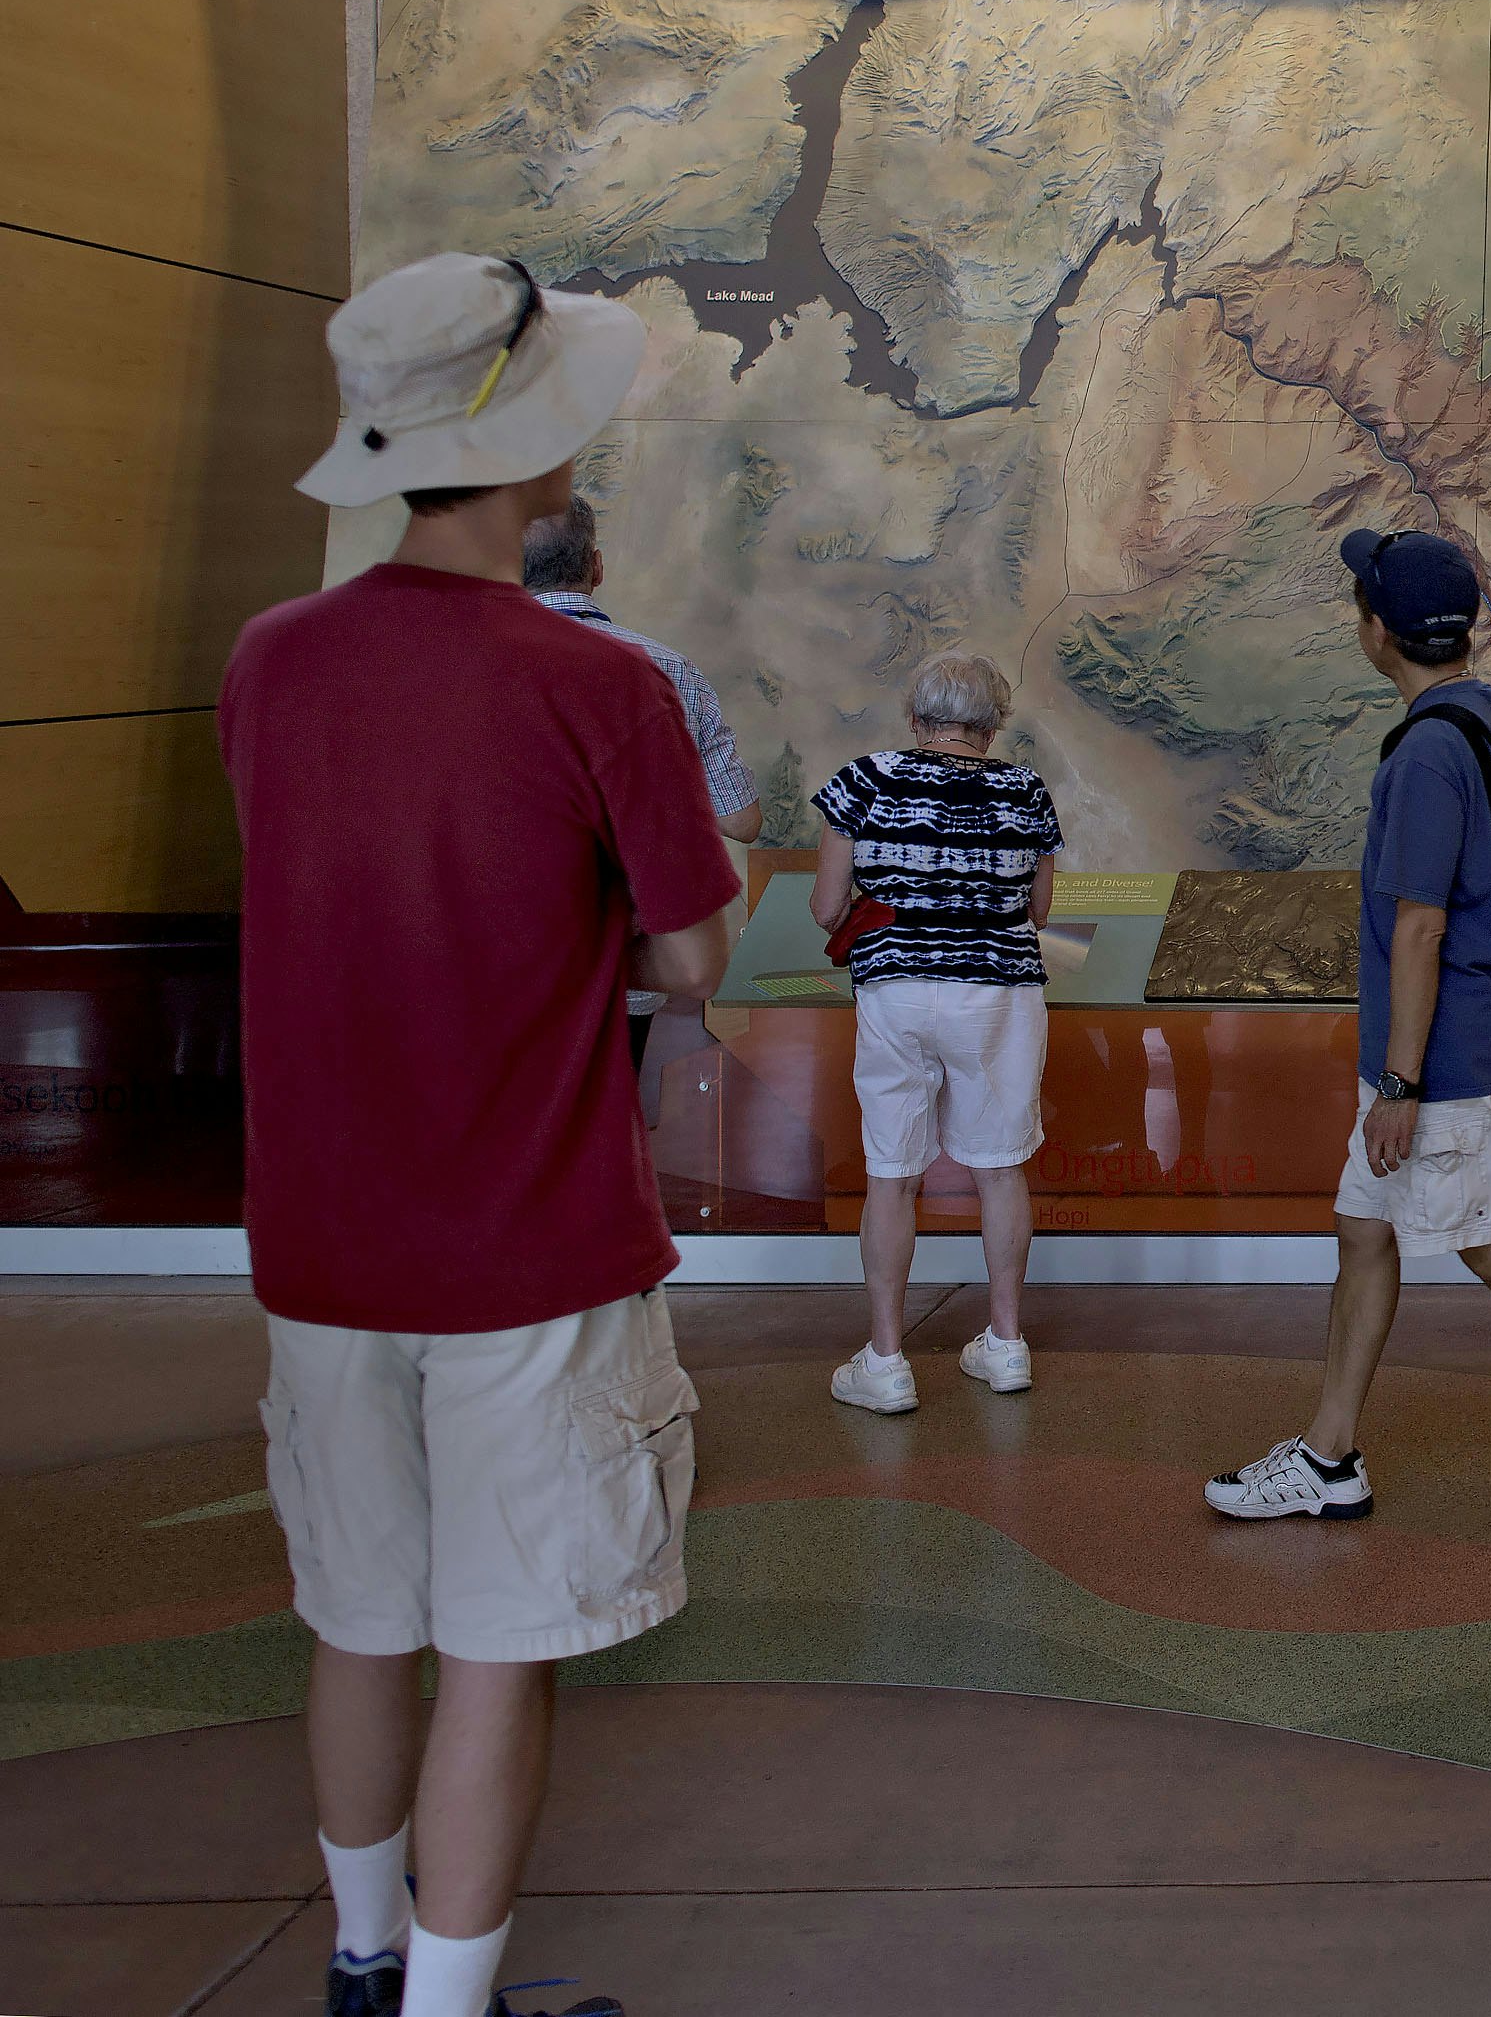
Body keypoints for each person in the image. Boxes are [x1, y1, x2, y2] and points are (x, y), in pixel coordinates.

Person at [225, 252, 739, 2017]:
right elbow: (687, 948)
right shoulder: (603, 688)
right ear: (540, 457)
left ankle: (365, 1970)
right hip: (525, 1239)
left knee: (359, 1619)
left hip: (318, 1236)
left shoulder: (269, 662)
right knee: (501, 1649)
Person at [1205, 529, 1491, 1534]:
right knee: (1364, 1233)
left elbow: (1419, 924)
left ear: (1377, 631)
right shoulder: (1483, 713)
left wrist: (1401, 1087)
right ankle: (1328, 1458)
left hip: (1437, 1058)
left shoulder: (1422, 756)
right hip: (1441, 1046)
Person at [809, 652, 1063, 1413]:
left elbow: (827, 909)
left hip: (896, 990)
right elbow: (1040, 914)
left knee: (893, 1171)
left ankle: (886, 1362)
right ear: (994, 724)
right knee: (1000, 1168)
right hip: (1001, 993)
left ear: (917, 719)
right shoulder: (1025, 790)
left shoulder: (864, 780)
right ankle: (1007, 1345)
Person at [521, 499, 761, 1069]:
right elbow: (742, 819)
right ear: (596, 567)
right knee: (610, 1127)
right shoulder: (668, 670)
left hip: (488, 962)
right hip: (626, 960)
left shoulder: (464, 664)